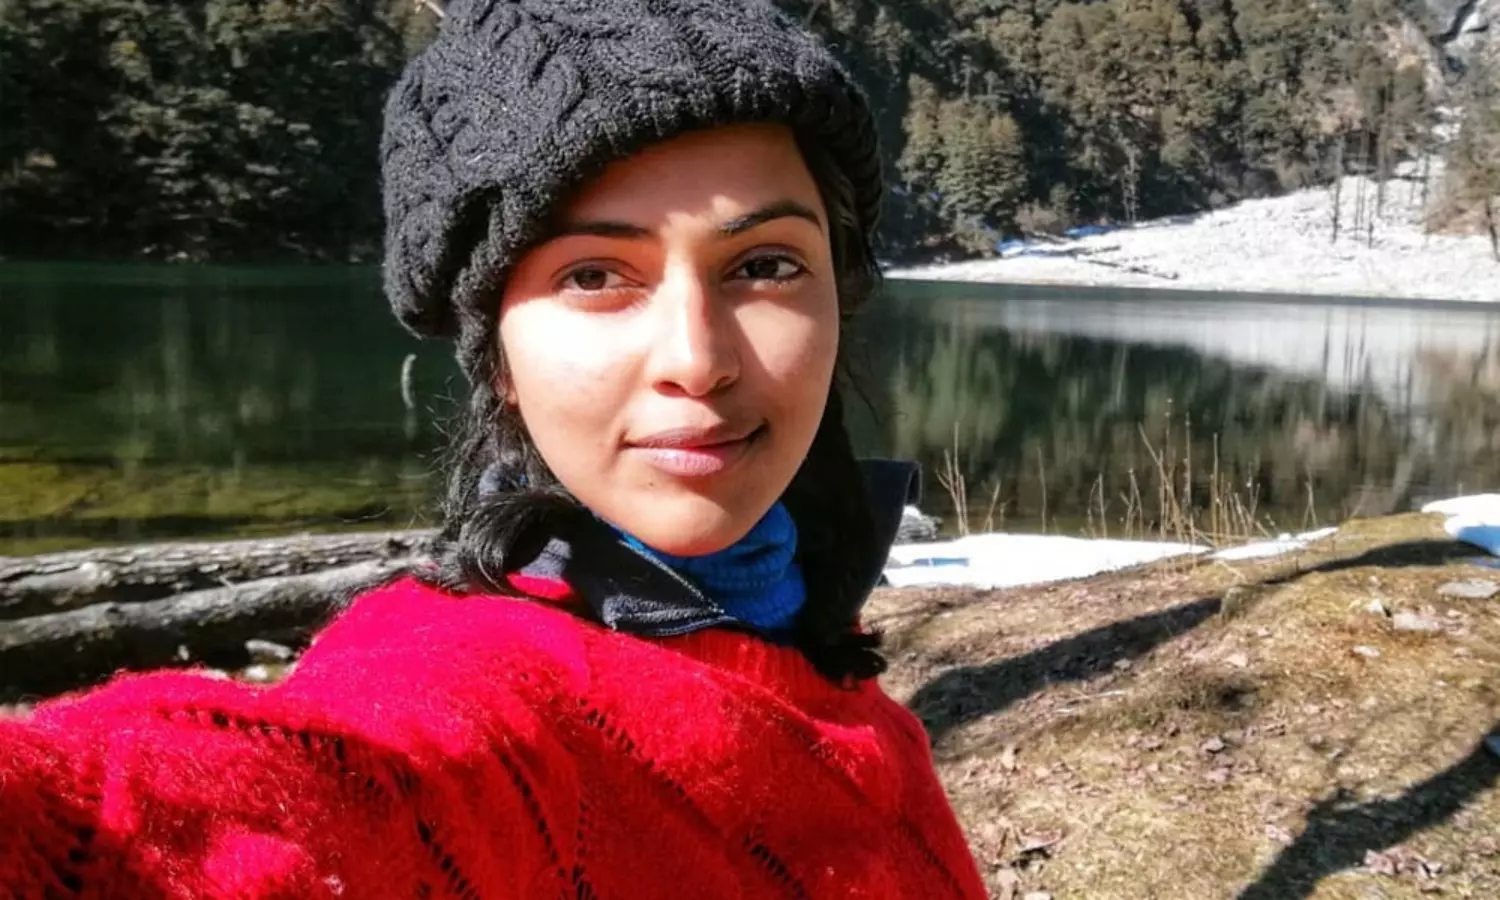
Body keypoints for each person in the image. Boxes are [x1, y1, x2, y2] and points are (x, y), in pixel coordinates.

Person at [0, 1, 987, 896]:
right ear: (498, 359)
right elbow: (233, 810)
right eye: (593, 275)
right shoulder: (480, 701)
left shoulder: (833, 661)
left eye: (764, 264)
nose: (697, 360)